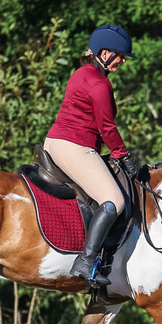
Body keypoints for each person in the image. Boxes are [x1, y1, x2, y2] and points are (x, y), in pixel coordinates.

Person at [44, 24, 141, 286]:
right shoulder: (99, 84)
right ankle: (86, 261)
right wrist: (123, 156)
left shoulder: (82, 73)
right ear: (105, 53)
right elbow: (107, 127)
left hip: (57, 142)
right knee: (114, 201)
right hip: (74, 146)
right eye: (120, 56)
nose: (122, 61)